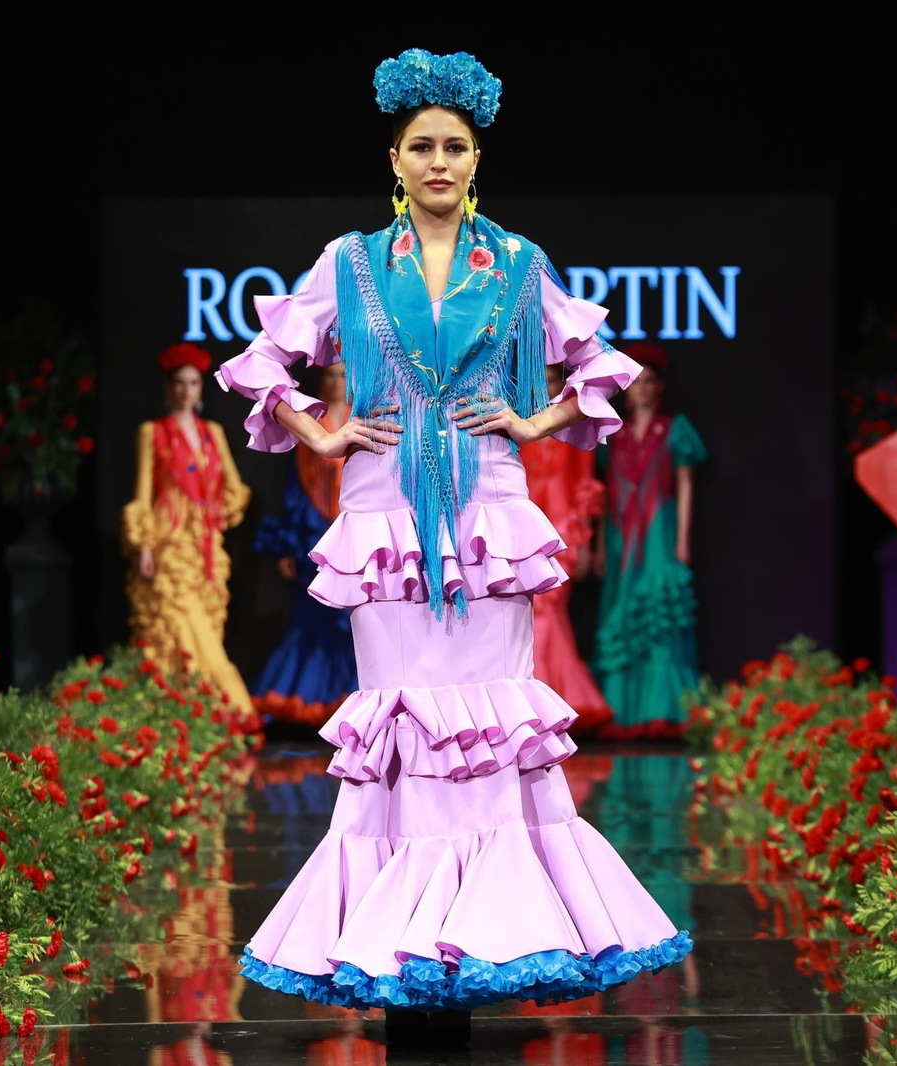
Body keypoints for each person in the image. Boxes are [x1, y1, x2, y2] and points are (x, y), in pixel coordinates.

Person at [212, 49, 690, 1039]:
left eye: (456, 147)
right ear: (394, 159)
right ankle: (405, 939)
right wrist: (321, 433)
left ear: (476, 160)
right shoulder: (348, 263)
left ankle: (487, 934)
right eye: (422, 146)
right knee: (402, 722)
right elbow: (262, 362)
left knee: (489, 727)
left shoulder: (516, 262)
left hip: (488, 522)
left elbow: (598, 363)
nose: (439, 162)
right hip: (385, 524)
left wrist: (532, 421)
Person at [124, 343, 254, 714]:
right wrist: (144, 545)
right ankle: (204, 713)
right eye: (179, 383)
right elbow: (143, 494)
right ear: (169, 387)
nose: (186, 390)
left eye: (193, 383)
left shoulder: (212, 432)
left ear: (200, 389)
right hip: (169, 545)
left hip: (205, 548)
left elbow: (235, 488)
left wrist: (214, 511)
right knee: (176, 628)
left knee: (205, 629)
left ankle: (197, 718)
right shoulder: (152, 432)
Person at [592, 342, 707, 737]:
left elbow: (685, 485)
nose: (643, 388)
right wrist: (599, 546)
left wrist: (683, 539)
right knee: (622, 609)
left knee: (660, 611)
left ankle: (664, 709)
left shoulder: (673, 429)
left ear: (659, 387)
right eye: (637, 381)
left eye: (650, 381)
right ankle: (622, 711)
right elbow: (606, 491)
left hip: (659, 528)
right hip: (620, 532)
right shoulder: (614, 433)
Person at [250, 361, 359, 728]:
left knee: (354, 622)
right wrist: (286, 544)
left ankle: (353, 702)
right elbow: (294, 486)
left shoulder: (363, 416)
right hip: (316, 535)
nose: (336, 381)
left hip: (356, 534)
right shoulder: (310, 421)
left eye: (342, 375)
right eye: (330, 374)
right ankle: (313, 700)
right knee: (315, 620)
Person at [522, 362, 611, 734]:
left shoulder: (575, 424)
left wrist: (586, 542)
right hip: (526, 527)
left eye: (552, 380)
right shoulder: (520, 421)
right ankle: (546, 698)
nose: (546, 387)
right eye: (541, 380)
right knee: (530, 608)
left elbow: (585, 486)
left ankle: (548, 700)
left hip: (562, 529)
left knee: (548, 607)